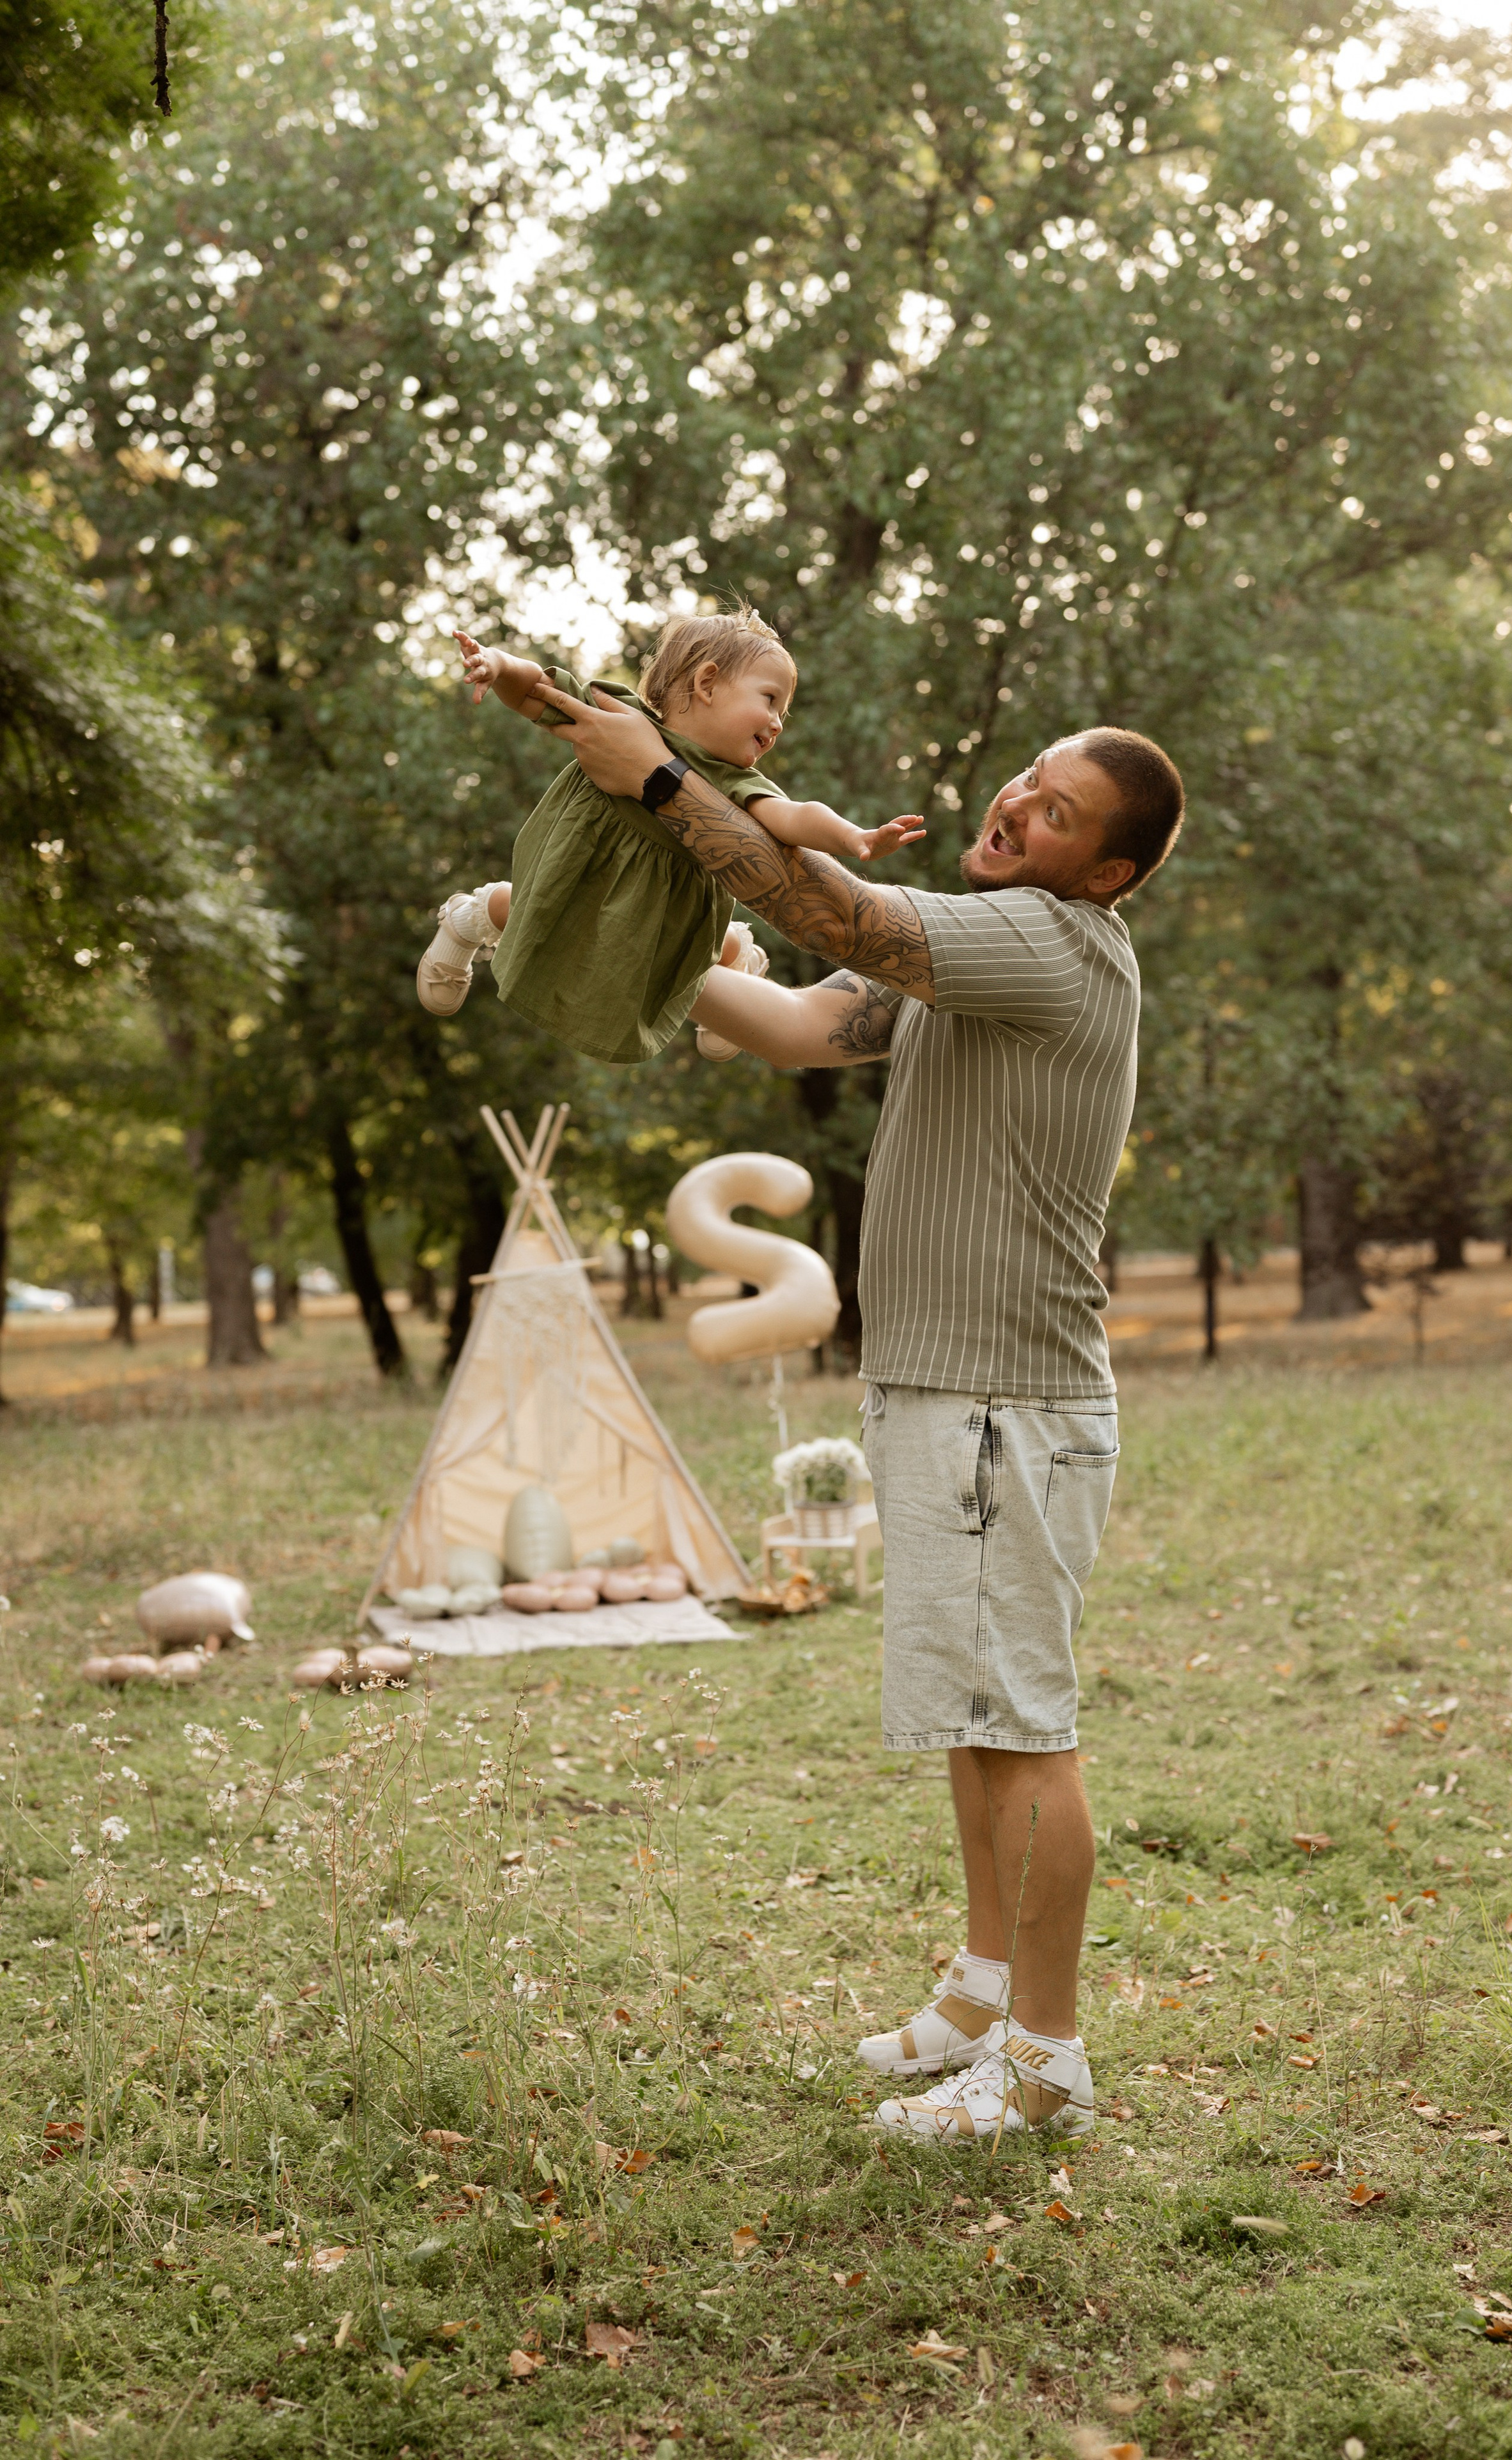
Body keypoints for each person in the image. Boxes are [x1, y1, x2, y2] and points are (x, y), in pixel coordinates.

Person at [529, 669, 1185, 2144]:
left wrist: (657, 778)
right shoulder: (966, 964)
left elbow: (832, 913)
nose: (1018, 804)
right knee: (973, 1710)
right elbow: (789, 1022)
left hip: (1003, 1401)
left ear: (1108, 870)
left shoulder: (1050, 941)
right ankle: (979, 1989)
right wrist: (581, 926)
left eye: (1060, 812)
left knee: (1018, 1720)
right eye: (1026, 777)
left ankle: (1042, 2058)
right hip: (945, 1389)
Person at [415, 607, 923, 1064]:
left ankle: (739, 957)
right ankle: (469, 918)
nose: (777, 724)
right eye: (770, 701)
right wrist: (498, 664)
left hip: (668, 906)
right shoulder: (620, 719)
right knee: (536, 914)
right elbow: (538, 691)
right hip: (585, 874)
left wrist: (854, 836)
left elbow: (794, 816)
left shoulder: (732, 780)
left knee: (692, 955)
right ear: (706, 683)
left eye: (782, 713)